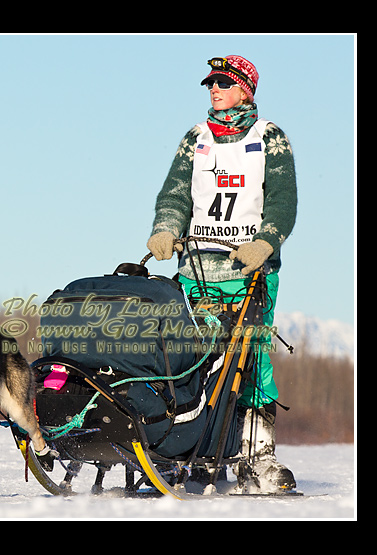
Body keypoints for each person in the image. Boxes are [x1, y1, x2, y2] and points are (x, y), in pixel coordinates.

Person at [146, 55, 297, 493]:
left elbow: (283, 200)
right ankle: (185, 452)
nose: (214, 89)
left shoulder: (269, 137)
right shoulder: (194, 139)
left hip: (249, 270)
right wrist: (165, 229)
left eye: (224, 83)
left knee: (250, 360)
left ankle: (257, 457)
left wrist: (266, 241)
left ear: (245, 91)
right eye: (211, 83)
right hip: (196, 268)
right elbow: (174, 194)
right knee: (188, 361)